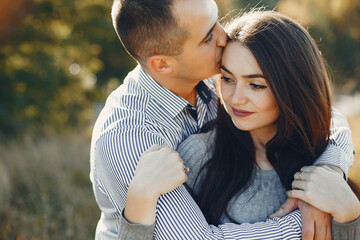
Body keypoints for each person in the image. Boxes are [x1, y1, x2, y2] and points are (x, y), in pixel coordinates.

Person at [90, 1, 353, 239]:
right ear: (162, 65)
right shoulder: (128, 138)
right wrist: (318, 217)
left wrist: (329, 169)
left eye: (216, 20)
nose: (223, 36)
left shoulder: (214, 66)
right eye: (207, 37)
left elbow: (314, 109)